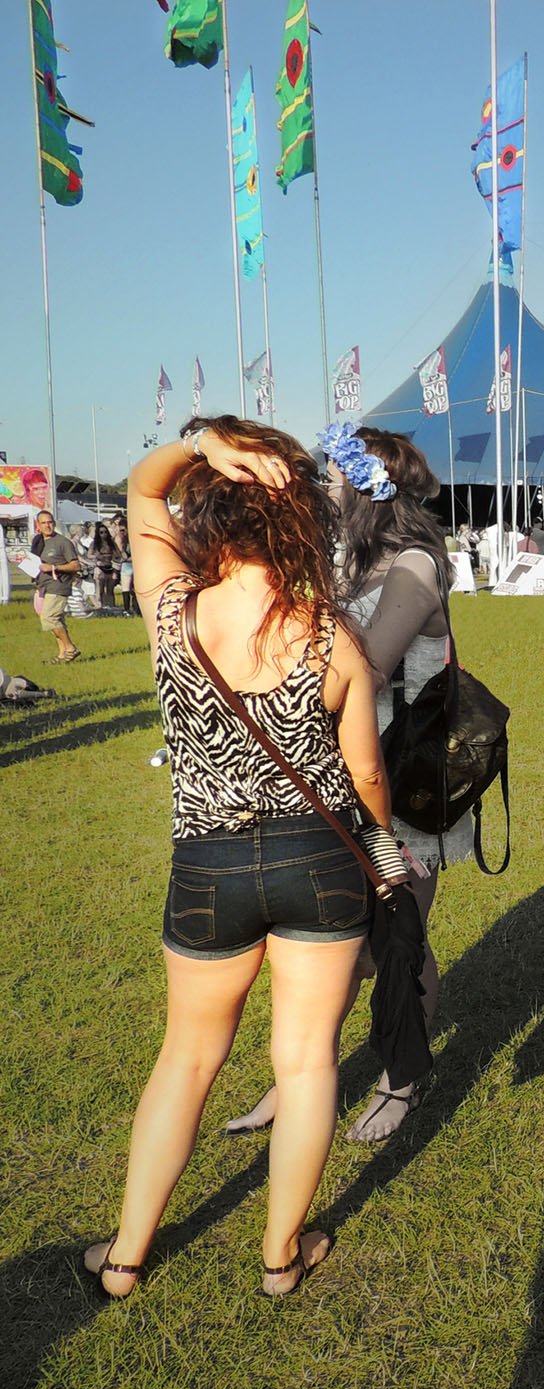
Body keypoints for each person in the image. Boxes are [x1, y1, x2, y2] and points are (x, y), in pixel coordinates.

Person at [88, 417, 397, 1299]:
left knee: (185, 1058)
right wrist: (382, 861)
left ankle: (125, 1259)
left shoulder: (172, 609)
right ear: (299, 517)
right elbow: (366, 772)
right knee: (305, 1061)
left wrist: (197, 446)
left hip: (209, 863)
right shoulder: (330, 632)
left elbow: (140, 490)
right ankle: (279, 1257)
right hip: (319, 860)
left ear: (209, 515)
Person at [223, 422, 463, 1146]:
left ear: (366, 489)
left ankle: (402, 1078)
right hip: (344, 778)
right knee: (328, 938)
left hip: (403, 780)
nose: (324, 488)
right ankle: (300, 1075)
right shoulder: (348, 564)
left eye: (334, 477)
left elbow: (368, 666)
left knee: (396, 931)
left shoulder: (414, 566)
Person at [31, 510, 82, 663]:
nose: (48, 525)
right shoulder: (38, 541)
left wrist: (54, 567)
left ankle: (70, 648)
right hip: (43, 586)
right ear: (38, 525)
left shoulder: (63, 542)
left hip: (58, 586)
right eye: (44, 523)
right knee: (57, 620)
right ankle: (62, 655)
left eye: (50, 522)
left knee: (49, 617)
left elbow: (76, 565)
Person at [90, 520, 121, 610]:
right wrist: (97, 557)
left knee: (110, 589)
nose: (104, 534)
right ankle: (101, 606)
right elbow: (89, 554)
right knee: (100, 589)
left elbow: (118, 554)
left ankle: (111, 606)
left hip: (110, 566)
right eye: (101, 532)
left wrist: (114, 557)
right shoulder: (95, 544)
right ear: (98, 534)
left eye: (105, 532)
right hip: (100, 567)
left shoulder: (111, 543)